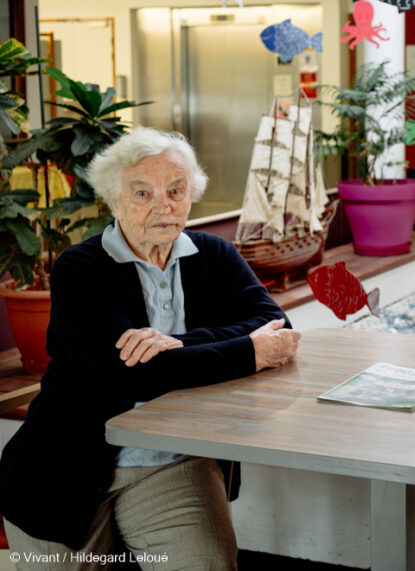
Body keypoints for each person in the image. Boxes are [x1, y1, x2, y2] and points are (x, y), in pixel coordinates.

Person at [0, 127, 301, 570]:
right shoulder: (80, 269)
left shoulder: (215, 255)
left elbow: (277, 327)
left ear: (191, 195)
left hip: (171, 462)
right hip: (64, 464)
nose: (164, 205)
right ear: (114, 200)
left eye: (176, 190)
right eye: (142, 193)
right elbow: (126, 375)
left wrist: (178, 343)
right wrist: (247, 352)